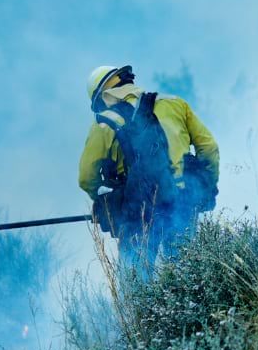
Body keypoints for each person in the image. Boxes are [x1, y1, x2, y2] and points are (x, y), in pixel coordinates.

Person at [78, 65, 220, 262]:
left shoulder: (104, 122)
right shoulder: (175, 104)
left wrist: (108, 202)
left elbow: (86, 177)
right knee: (188, 274)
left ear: (101, 97)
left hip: (138, 210)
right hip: (184, 200)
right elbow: (209, 148)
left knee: (136, 281)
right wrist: (206, 187)